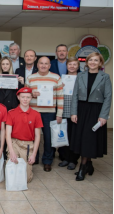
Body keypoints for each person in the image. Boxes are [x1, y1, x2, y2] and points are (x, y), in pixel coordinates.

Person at [71, 53, 112, 181]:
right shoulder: (80, 76)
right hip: (82, 110)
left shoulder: (105, 77)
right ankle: (88, 165)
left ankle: (82, 168)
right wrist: (73, 112)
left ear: (100, 63)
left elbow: (108, 98)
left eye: (96, 60)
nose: (93, 62)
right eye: (91, 60)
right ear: (87, 62)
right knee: (83, 138)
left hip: (95, 111)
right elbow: (75, 95)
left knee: (89, 139)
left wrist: (103, 116)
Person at [26, 56, 64, 172]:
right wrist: (32, 94)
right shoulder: (31, 78)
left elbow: (60, 97)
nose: (43, 65)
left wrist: (59, 114)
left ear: (49, 65)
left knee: (48, 138)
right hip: (33, 112)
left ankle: (47, 160)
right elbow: (24, 95)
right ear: (37, 65)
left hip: (50, 113)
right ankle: (34, 158)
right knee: (32, 136)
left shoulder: (56, 78)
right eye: (41, 63)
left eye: (46, 63)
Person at [6, 87, 42, 182]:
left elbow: (38, 136)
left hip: (28, 145)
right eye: (23, 97)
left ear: (31, 98)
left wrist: (34, 154)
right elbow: (8, 134)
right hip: (15, 143)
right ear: (18, 97)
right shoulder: (11, 113)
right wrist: (11, 151)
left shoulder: (36, 114)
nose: (25, 99)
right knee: (12, 173)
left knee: (26, 179)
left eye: (28, 97)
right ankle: (9, 158)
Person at [58, 57, 80, 170]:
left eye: (74, 64)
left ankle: (73, 160)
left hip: (76, 111)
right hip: (63, 110)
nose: (72, 66)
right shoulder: (62, 78)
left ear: (78, 66)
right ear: (66, 66)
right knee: (63, 135)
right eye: (70, 64)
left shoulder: (81, 78)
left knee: (74, 136)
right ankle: (65, 158)